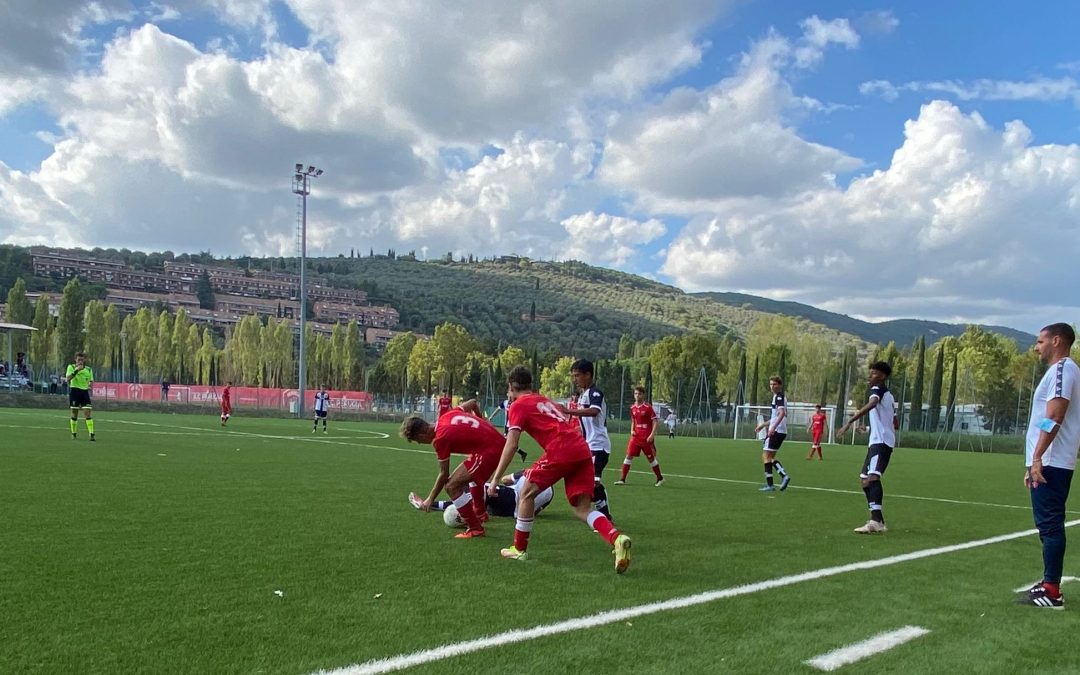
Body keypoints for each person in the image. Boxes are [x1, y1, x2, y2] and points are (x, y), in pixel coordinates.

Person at [487, 366, 632, 572]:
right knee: (582, 509)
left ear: (510, 386)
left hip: (561, 449)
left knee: (526, 493)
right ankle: (617, 538)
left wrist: (495, 479)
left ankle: (519, 549)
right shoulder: (544, 400)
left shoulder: (518, 405)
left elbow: (511, 445)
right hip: (581, 448)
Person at [1016, 323, 1080, 609]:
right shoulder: (1062, 371)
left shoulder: (1062, 370)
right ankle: (1049, 583)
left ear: (1056, 341)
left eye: (1040, 341)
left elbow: (1053, 416)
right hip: (1050, 460)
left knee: (1050, 525)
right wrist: (1032, 460)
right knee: (1048, 525)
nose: (1036, 347)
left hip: (1051, 461)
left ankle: (1052, 590)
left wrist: (1037, 457)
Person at [400, 399, 505, 538]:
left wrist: (430, 499)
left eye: (418, 441)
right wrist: (482, 420)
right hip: (494, 442)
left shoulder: (439, 439)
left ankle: (475, 528)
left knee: (451, 486)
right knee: (469, 475)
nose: (420, 443)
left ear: (421, 435)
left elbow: (444, 474)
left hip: (490, 451)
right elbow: (473, 403)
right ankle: (480, 514)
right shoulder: (447, 416)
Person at [838, 362, 897, 534]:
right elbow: (894, 423)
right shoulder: (889, 397)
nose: (870, 376)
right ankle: (878, 519)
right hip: (878, 441)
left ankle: (875, 521)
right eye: (870, 373)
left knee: (872, 478)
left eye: (874, 373)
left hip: (881, 442)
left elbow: (872, 403)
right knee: (865, 480)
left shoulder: (877, 390)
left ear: (882, 377)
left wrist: (850, 421)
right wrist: (870, 428)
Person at [563, 359, 613, 520]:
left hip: (598, 445)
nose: (575, 379)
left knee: (592, 483)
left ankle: (605, 516)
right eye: (574, 376)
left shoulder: (595, 393)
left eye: (577, 375)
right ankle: (603, 514)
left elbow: (594, 411)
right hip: (590, 445)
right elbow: (586, 424)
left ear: (588, 374)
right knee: (589, 482)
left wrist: (570, 411)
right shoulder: (583, 395)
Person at [411, 471, 554, 518]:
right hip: (512, 512)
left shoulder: (530, 472)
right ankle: (477, 508)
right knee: (479, 492)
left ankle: (432, 504)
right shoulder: (550, 494)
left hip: (510, 498)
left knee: (477, 486)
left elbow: (505, 480)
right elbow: (536, 511)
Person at [615, 386, 665, 486]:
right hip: (636, 437)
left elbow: (655, 421)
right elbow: (633, 420)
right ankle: (622, 479)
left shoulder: (648, 407)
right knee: (628, 456)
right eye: (636, 394)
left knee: (651, 458)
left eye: (639, 394)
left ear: (643, 395)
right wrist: (632, 430)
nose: (637, 396)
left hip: (646, 437)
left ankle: (660, 478)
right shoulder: (632, 408)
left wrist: (652, 435)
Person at [755, 376, 791, 492]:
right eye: (771, 384)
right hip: (780, 431)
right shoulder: (779, 397)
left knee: (766, 456)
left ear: (780, 385)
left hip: (776, 431)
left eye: (774, 384)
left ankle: (783, 476)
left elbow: (782, 413)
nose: (772, 386)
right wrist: (763, 425)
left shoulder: (779, 397)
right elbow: (776, 416)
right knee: (769, 457)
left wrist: (773, 428)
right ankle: (771, 484)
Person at [65, 352, 95, 441]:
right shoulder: (71, 367)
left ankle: (91, 434)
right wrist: (76, 370)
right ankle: (74, 433)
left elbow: (91, 381)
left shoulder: (88, 369)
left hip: (84, 392)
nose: (80, 361)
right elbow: (68, 379)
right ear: (75, 360)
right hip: (75, 391)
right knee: (74, 413)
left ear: (84, 360)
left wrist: (89, 385)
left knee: (87, 412)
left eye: (82, 360)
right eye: (79, 360)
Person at [487, 396, 528, 462]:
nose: (509, 396)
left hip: (512, 426)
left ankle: (503, 456)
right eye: (508, 394)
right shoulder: (505, 403)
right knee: (507, 442)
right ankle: (522, 453)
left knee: (507, 442)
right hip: (507, 426)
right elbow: (498, 409)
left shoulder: (516, 403)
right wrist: (491, 416)